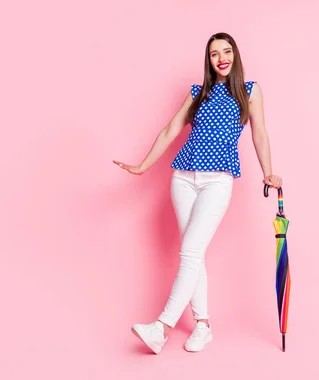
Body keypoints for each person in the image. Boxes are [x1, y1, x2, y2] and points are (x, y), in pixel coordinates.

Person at [113, 32, 282, 354]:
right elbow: (170, 130)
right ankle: (202, 325)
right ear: (209, 60)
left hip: (217, 180)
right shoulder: (198, 92)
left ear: (235, 55)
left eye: (227, 51)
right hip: (183, 178)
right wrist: (142, 166)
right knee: (195, 253)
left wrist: (268, 172)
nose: (222, 58)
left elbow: (259, 132)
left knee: (190, 251)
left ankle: (161, 328)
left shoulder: (250, 91)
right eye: (215, 53)